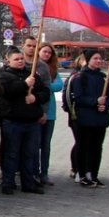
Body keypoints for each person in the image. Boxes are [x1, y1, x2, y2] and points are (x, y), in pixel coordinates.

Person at [0, 49, 50, 195]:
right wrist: (25, 85)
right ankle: (8, 182)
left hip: (32, 121)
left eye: (21, 59)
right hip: (13, 121)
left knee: (29, 154)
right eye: (16, 59)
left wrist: (36, 98)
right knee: (11, 154)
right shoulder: (3, 75)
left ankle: (28, 183)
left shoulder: (31, 74)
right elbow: (7, 92)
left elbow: (45, 92)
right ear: (8, 61)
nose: (20, 61)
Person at [70, 51, 109, 188]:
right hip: (84, 119)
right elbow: (78, 98)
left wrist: (106, 105)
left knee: (97, 148)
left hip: (100, 119)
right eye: (95, 58)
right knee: (83, 146)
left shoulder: (103, 78)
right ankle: (82, 173)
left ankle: (93, 174)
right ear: (88, 60)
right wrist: (95, 101)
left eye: (100, 58)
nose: (98, 61)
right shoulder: (80, 77)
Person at [35, 43, 64, 187]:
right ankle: (33, 172)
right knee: (34, 144)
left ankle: (44, 173)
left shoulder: (53, 70)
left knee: (46, 145)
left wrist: (45, 85)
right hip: (35, 110)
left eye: (49, 53)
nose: (47, 54)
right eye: (44, 51)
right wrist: (46, 85)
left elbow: (59, 85)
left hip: (50, 111)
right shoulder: (34, 67)